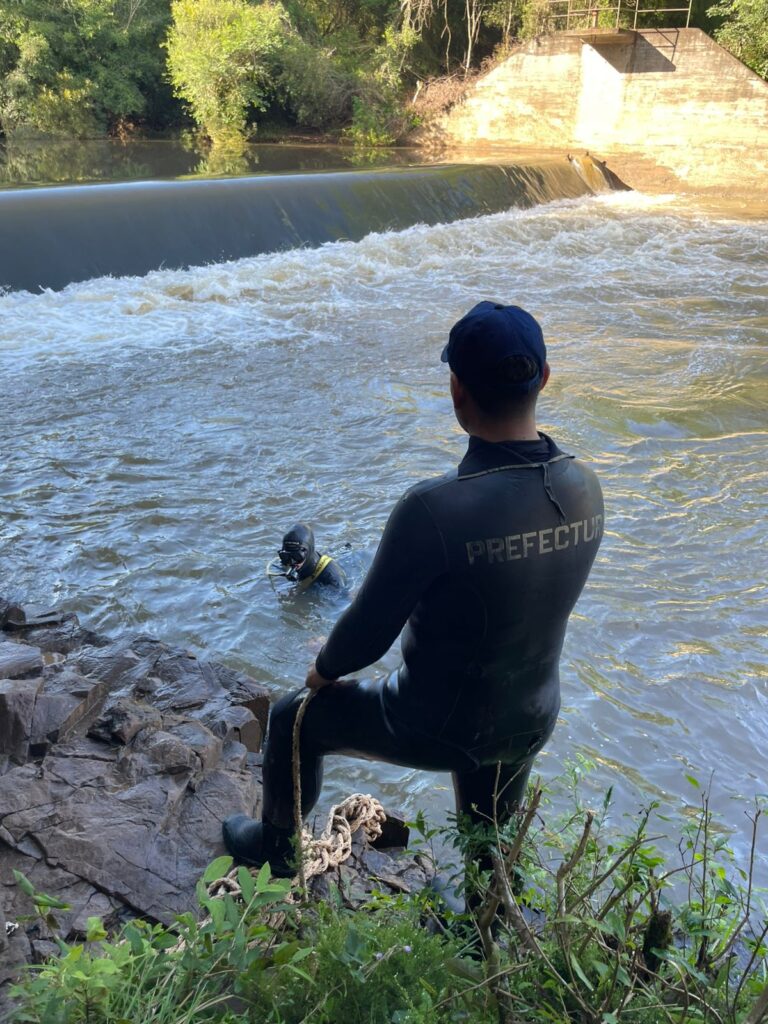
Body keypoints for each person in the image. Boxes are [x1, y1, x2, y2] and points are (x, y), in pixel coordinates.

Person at [223, 301, 604, 878]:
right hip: (531, 715)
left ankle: (276, 851)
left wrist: (322, 672)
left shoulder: (434, 508)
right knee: (490, 815)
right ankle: (487, 916)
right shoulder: (584, 488)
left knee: (291, 717)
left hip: (433, 721)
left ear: (457, 391)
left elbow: (368, 633)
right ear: (544, 378)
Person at [275, 523, 346, 590]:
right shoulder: (290, 562)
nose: (292, 562)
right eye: (286, 556)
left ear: (308, 551)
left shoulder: (332, 579)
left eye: (297, 556)